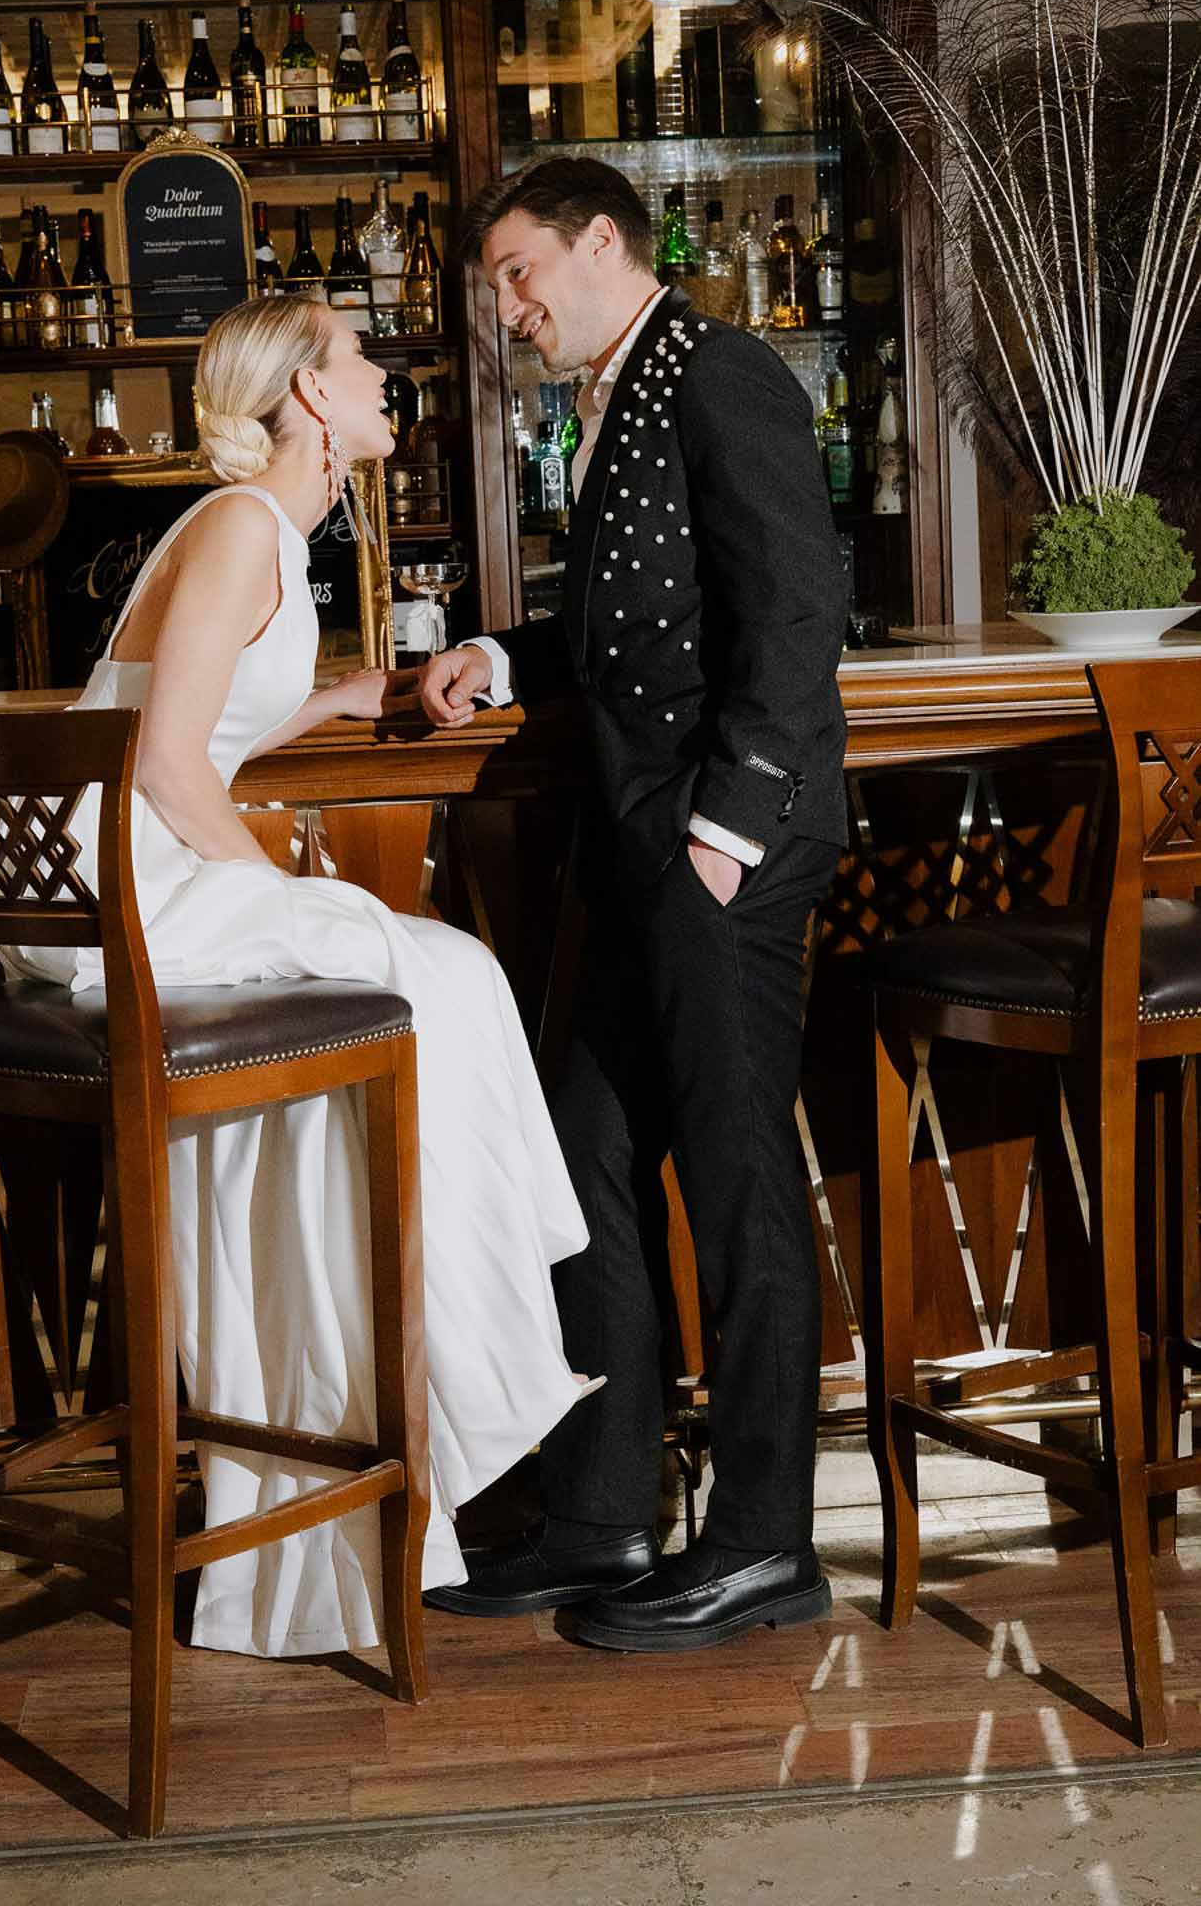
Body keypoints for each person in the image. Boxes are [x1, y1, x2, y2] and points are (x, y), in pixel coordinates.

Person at [5, 293, 597, 1659]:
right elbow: (164, 768)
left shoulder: (256, 528)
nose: (383, 372)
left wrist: (331, 699)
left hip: (119, 885)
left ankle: (410, 1389)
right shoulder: (237, 525)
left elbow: (198, 726)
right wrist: (277, 895)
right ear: (312, 398)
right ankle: (473, 1354)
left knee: (426, 976)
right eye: (359, 358)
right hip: (127, 896)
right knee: (437, 973)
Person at [419, 158, 849, 1652]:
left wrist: (728, 829)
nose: (510, 309)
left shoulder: (717, 371)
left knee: (735, 1179)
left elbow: (796, 608)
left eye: (520, 274)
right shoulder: (622, 386)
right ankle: (603, 1515)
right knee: (583, 1155)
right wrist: (499, 655)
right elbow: (631, 622)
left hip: (718, 848)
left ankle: (764, 1542)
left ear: (600, 240)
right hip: (643, 849)